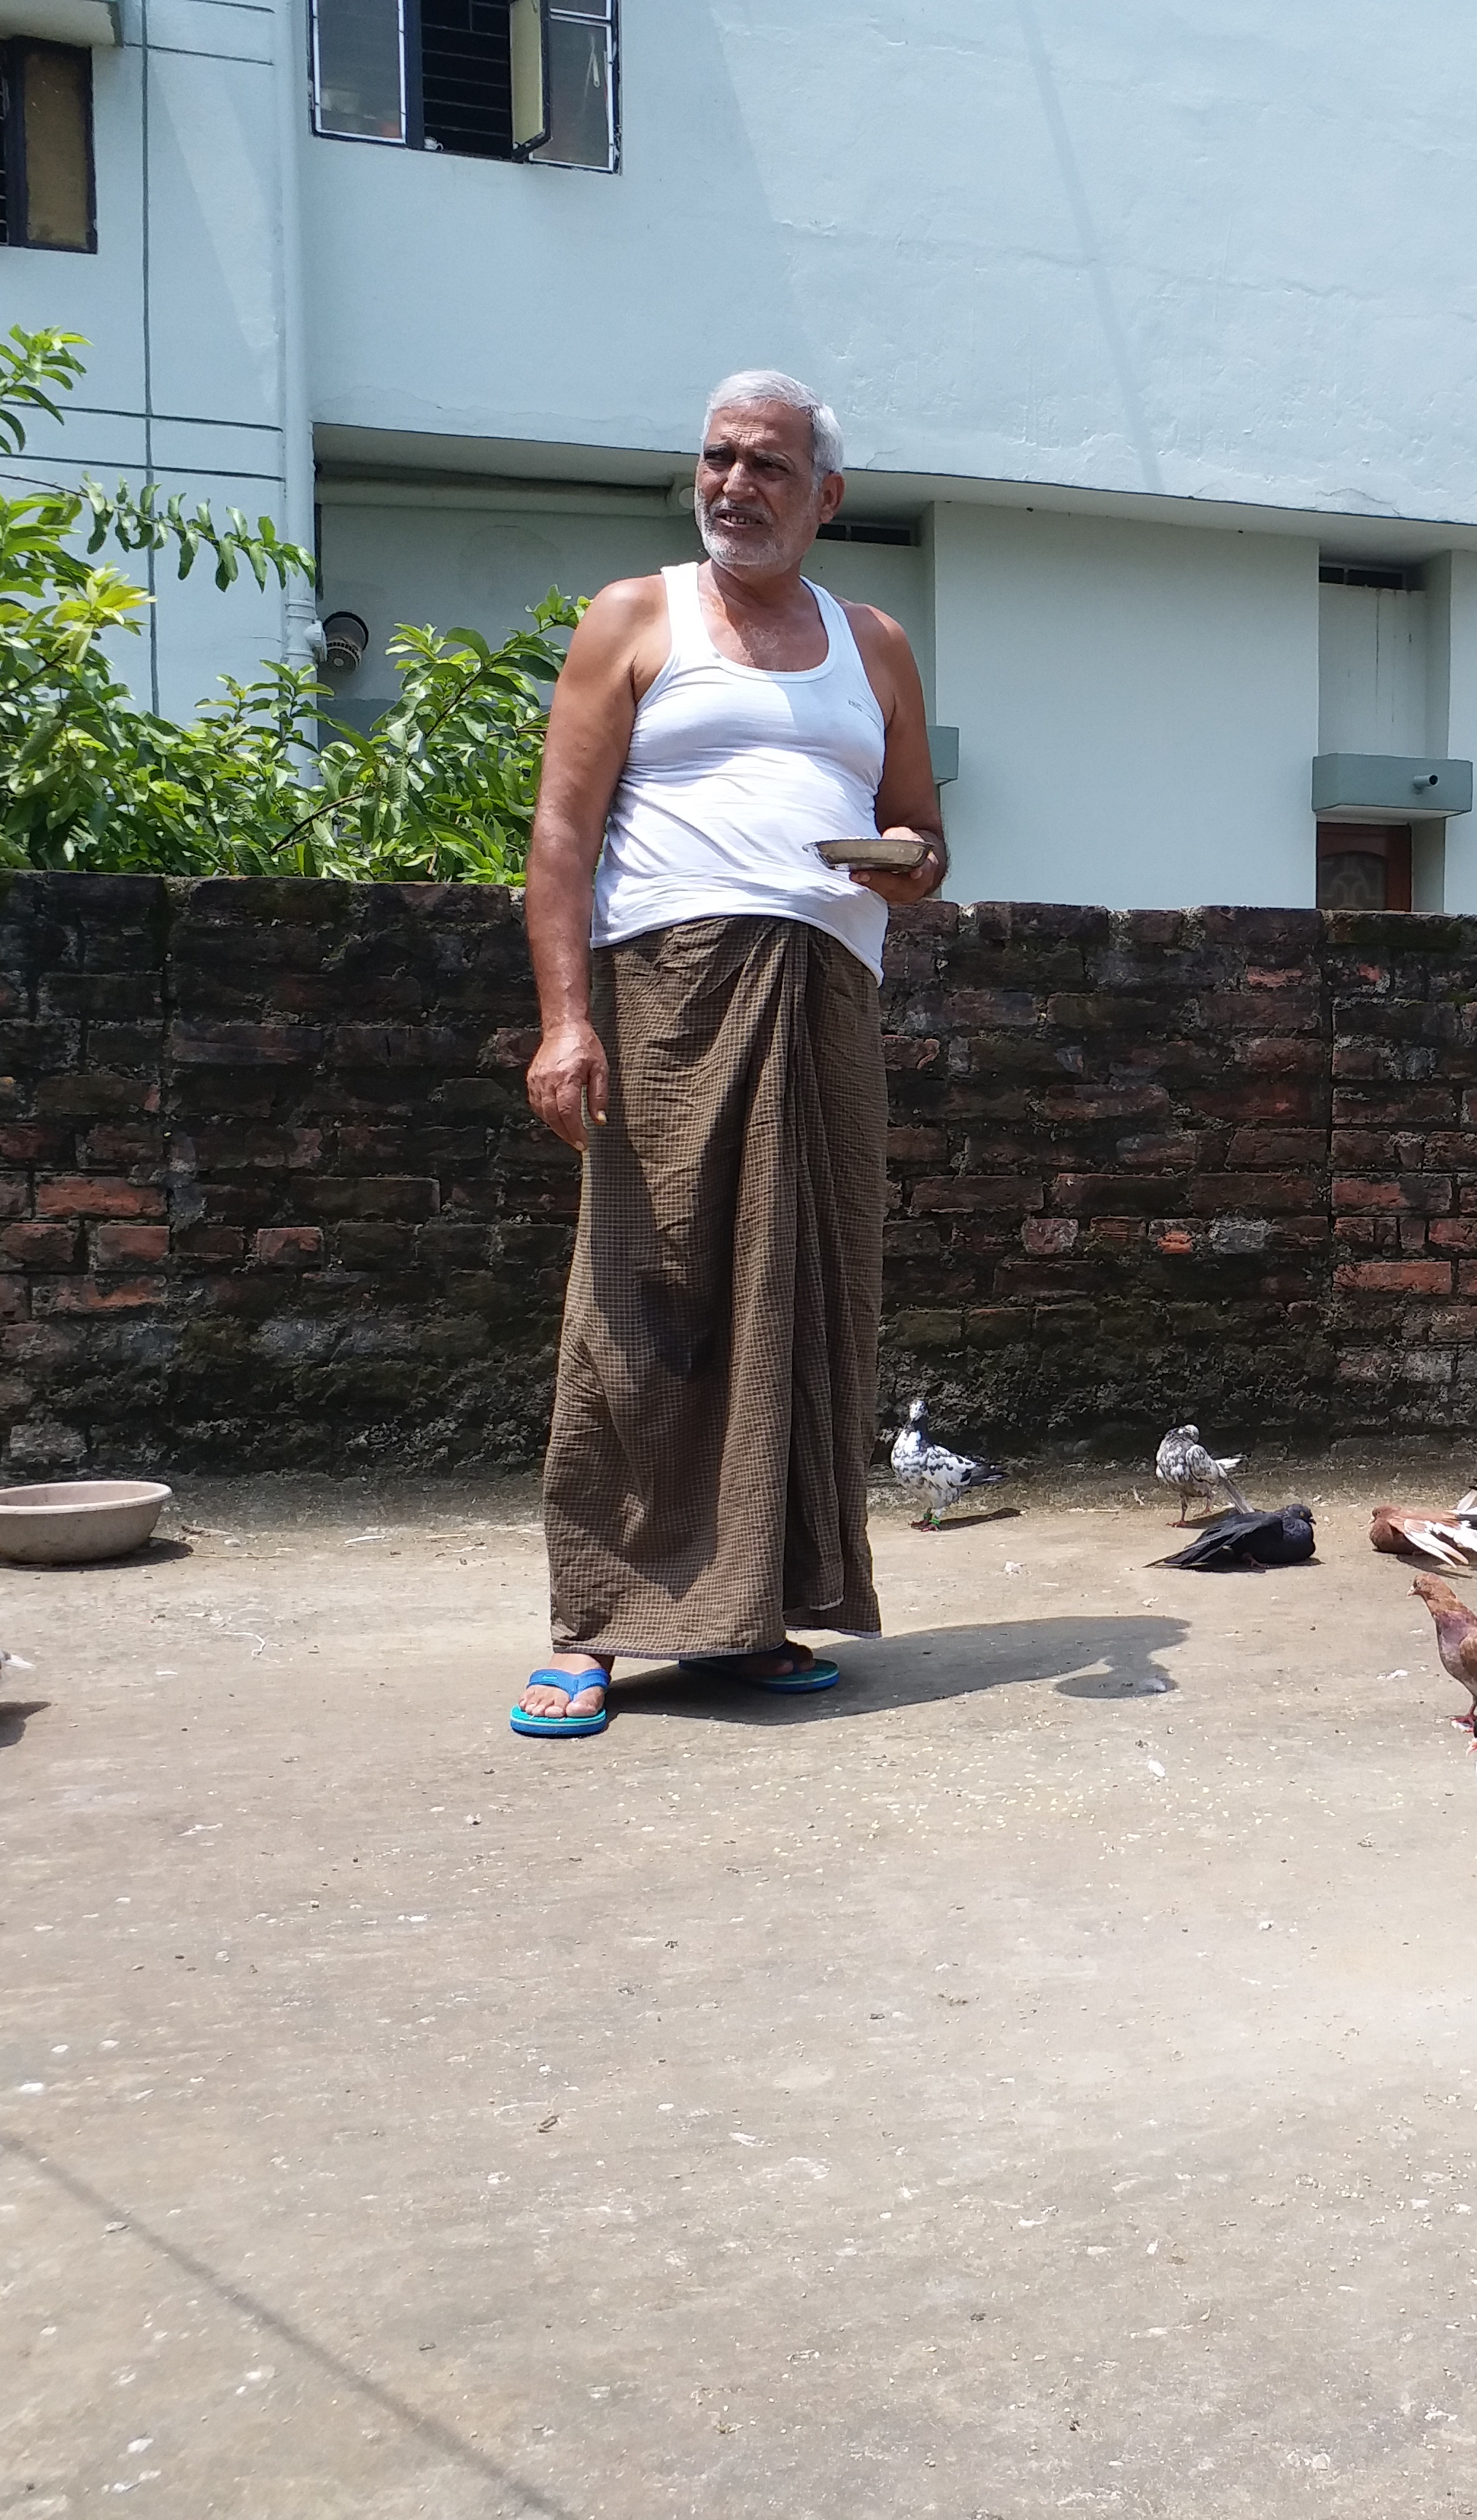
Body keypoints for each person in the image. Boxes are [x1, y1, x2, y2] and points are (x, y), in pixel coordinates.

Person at [510, 369, 947, 1738]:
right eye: (717, 458)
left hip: (826, 998)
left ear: (826, 496)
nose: (734, 486)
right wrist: (566, 1022)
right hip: (671, 997)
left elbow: (922, 842)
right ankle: (595, 1623)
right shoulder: (637, 618)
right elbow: (562, 842)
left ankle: (743, 1617)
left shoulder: (873, 644)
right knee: (644, 1304)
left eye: (767, 466)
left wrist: (909, 864)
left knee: (805, 1308)